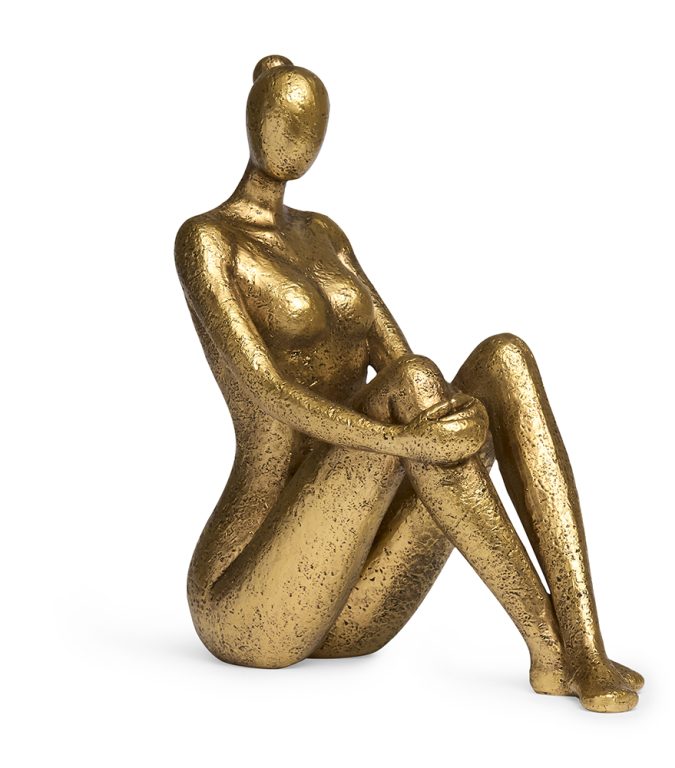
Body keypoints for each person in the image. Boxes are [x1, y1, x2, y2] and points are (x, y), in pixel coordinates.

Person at [175, 55, 643, 713]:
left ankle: (586, 646)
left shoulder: (324, 234)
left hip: (354, 600)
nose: (299, 138)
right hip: (251, 600)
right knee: (418, 388)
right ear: (255, 122)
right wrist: (406, 440)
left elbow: (398, 355)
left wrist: (454, 423)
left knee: (504, 360)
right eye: (286, 119)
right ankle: (548, 649)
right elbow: (266, 390)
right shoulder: (207, 240)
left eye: (313, 126)